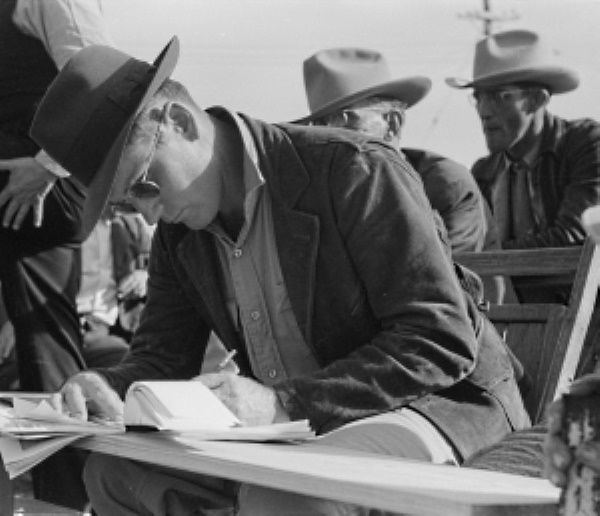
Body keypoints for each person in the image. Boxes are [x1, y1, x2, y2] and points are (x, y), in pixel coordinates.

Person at [32, 38, 529, 515]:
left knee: (285, 498)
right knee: (111, 473)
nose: (148, 216)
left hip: (437, 405)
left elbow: (439, 341)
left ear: (179, 122)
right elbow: (162, 359)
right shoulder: (180, 232)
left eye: (144, 186)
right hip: (296, 431)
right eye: (125, 204)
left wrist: (282, 402)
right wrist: (105, 384)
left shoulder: (354, 170)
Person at [0, 0, 113, 509]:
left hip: (32, 186)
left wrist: (50, 165)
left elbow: (100, 79)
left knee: (45, 356)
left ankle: (64, 505)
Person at [295, 47, 493, 255]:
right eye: (320, 127)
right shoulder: (322, 198)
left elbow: (450, 279)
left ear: (392, 124)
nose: (332, 142)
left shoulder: (445, 186)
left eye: (347, 125)